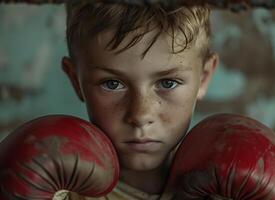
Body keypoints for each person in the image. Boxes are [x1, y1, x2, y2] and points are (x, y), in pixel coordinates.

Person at [61, 1, 218, 199]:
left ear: (203, 77)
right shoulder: (61, 192)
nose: (141, 115)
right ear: (76, 80)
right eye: (112, 84)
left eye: (168, 83)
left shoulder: (224, 188)